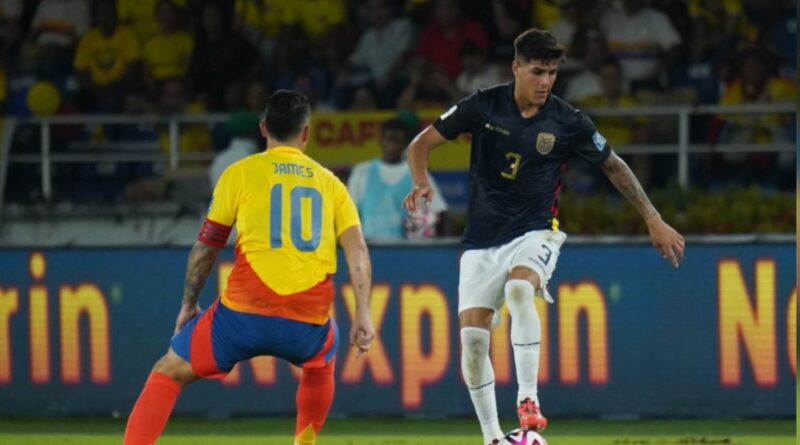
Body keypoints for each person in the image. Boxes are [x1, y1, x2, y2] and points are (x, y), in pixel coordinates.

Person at [402, 29, 684, 445]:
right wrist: (420, 180)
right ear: (516, 68)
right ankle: (493, 438)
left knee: (520, 290)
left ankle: (528, 399)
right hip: (481, 241)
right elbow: (420, 144)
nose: (545, 81)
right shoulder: (483, 105)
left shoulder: (568, 121)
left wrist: (653, 216)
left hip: (535, 231)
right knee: (474, 345)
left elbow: (615, 166)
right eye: (537, 71)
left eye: (552, 73)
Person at [123, 90, 376, 445]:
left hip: (241, 316)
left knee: (167, 372)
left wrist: (188, 303)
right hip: (306, 321)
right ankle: (304, 443)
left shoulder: (239, 173)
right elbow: (358, 250)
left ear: (263, 128)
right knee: (324, 355)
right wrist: (363, 313)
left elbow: (206, 247)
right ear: (306, 133)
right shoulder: (332, 184)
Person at [347, 118, 448, 241]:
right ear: (381, 141)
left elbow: (440, 212)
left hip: (403, 251)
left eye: (398, 141)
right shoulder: (362, 171)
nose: (393, 145)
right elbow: (348, 214)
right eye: (389, 139)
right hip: (369, 248)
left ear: (406, 143)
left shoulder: (417, 173)